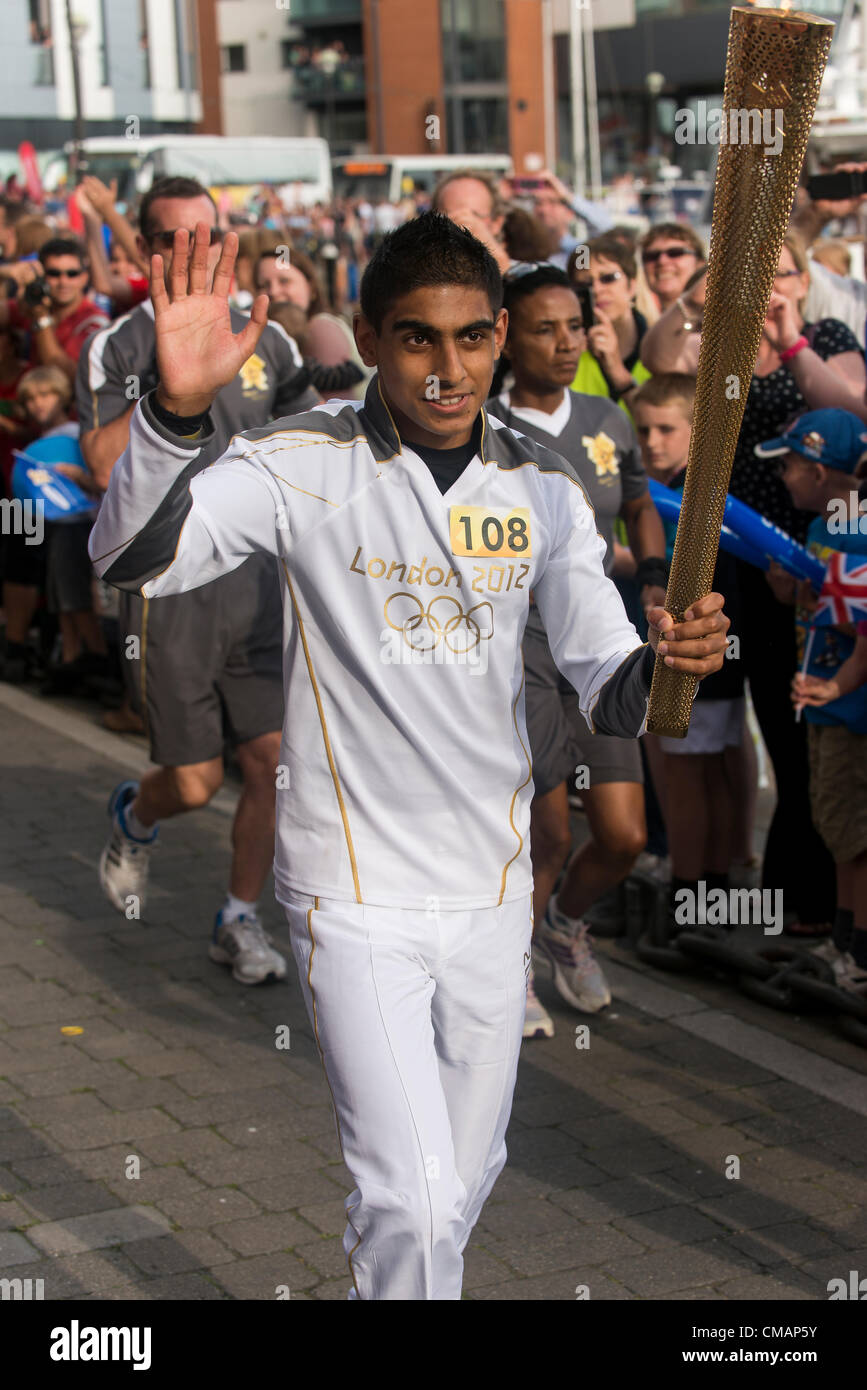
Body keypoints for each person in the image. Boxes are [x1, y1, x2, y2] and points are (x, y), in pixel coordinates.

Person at [87, 211, 730, 1301]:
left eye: (473, 338)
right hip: (354, 891)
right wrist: (177, 407)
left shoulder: (544, 488)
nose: (449, 369)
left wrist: (677, 661)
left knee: (465, 1174)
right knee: (414, 1197)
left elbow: (609, 679)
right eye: (418, 340)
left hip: (490, 894)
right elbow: (134, 557)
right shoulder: (302, 461)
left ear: (501, 338)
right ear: (377, 340)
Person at [76, 175, 320, 985]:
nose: (199, 252)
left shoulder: (269, 339)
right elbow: (104, 464)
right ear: (147, 248)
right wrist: (175, 392)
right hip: (168, 584)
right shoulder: (116, 345)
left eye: (209, 236)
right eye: (177, 238)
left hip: (258, 588)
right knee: (191, 780)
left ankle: (238, 918)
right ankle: (137, 813)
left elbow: (311, 448)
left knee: (272, 763)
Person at [644, 234, 867, 936]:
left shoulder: (822, 333)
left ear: (803, 280)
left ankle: (814, 904)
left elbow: (855, 411)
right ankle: (749, 895)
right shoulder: (720, 337)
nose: (766, 286)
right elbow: (656, 362)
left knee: (805, 725)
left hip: (813, 555)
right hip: (730, 559)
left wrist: (791, 340)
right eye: (752, 275)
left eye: (779, 273)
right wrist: (695, 299)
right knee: (745, 721)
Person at [486, 264, 668, 1039]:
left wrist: (655, 580)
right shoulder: (482, 430)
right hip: (519, 651)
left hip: (600, 648)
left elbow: (635, 503)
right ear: (504, 337)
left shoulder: (604, 416)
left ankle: (560, 925)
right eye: (542, 328)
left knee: (623, 834)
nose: (564, 344)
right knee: (549, 835)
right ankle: (507, 975)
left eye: (573, 327)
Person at [631, 373, 747, 924]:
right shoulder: (694, 491)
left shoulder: (691, 500)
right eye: (643, 429)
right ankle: (714, 894)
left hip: (693, 657)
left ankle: (689, 901)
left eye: (666, 429)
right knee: (708, 772)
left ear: (697, 429)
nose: (653, 442)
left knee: (685, 779)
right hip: (716, 654)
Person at [759, 409, 867, 991]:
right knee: (837, 827)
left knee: (856, 834)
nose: (785, 476)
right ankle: (846, 941)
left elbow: (861, 625)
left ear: (822, 472)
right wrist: (795, 593)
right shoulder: (827, 528)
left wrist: (838, 682)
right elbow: (826, 611)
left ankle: (860, 958)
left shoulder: (857, 531)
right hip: (824, 700)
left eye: (793, 464)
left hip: (849, 705)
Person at [254, 246, 368, 401]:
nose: (273, 291)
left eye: (284, 281)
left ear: (311, 288)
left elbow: (332, 414)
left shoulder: (319, 329)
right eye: (263, 285)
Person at [0, 236, 108, 384]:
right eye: (54, 274)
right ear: (41, 276)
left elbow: (65, 373)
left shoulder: (94, 322)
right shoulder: (31, 305)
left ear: (84, 277)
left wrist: (41, 320)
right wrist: (6, 271)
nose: (63, 282)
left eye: (72, 274)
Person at [568, 234, 652, 412]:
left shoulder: (660, 346)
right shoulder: (565, 349)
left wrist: (619, 374)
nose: (597, 289)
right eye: (585, 284)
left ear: (632, 286)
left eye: (608, 278)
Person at [638, 222, 705, 314]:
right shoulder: (640, 324)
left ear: (700, 263)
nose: (662, 261)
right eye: (652, 256)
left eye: (675, 253)